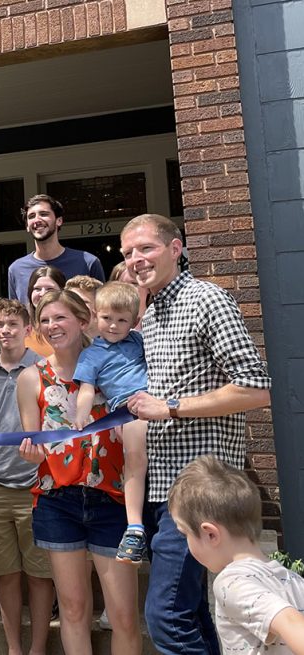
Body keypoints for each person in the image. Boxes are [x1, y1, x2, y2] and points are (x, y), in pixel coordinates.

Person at [121, 214, 272, 655]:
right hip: (160, 486)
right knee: (191, 611)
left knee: (166, 616)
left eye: (145, 248)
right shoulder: (149, 315)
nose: (135, 260)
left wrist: (169, 408)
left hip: (201, 487)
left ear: (175, 248)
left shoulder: (207, 299)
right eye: (128, 252)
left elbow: (256, 388)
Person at [17, 289, 141, 655]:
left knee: (124, 615)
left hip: (112, 496)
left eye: (60, 318)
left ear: (82, 320)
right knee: (72, 609)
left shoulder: (111, 360)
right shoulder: (30, 378)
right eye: (44, 320)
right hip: (57, 500)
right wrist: (30, 453)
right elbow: (33, 447)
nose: (52, 326)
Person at [0, 299, 55, 655]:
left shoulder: (42, 368)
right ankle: (13, 649)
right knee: (4, 573)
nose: (6, 330)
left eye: (13, 325)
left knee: (39, 574)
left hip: (35, 486)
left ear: (28, 330)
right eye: (0, 324)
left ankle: (37, 647)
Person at [168, 456, 304, 655]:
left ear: (210, 534)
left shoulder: (232, 583)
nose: (186, 543)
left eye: (184, 533)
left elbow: (291, 622)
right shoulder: (291, 580)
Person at [72, 281, 149, 564]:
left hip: (157, 403)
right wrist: (80, 417)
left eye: (121, 320)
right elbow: (87, 390)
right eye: (107, 318)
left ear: (134, 322)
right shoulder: (92, 354)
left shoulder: (139, 341)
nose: (114, 326)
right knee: (135, 457)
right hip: (127, 411)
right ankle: (135, 527)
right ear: (95, 315)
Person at [7, 194, 105, 305]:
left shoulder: (87, 262)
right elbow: (17, 317)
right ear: (27, 226)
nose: (37, 220)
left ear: (59, 221)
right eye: (31, 216)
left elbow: (102, 310)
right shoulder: (16, 269)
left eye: (44, 214)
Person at [24, 265, 66, 357]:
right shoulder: (21, 326)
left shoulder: (71, 325)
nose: (42, 294)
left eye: (50, 289)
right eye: (37, 289)